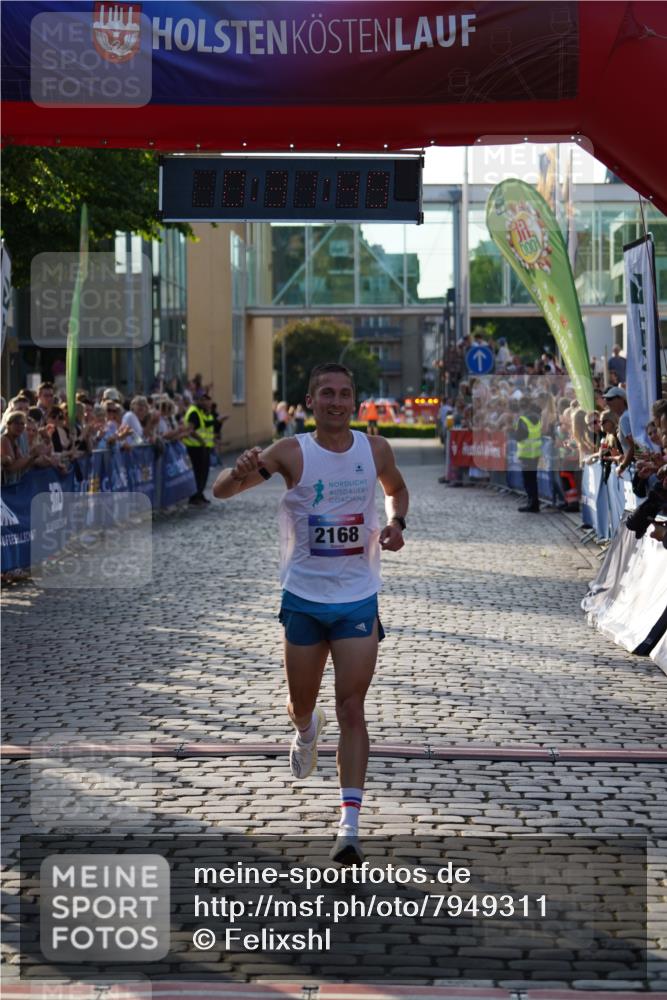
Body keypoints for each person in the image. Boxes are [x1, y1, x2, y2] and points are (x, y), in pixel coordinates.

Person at [213, 363, 409, 866]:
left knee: (352, 708)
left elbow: (397, 491)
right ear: (310, 400)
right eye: (327, 393)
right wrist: (237, 471)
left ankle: (349, 826)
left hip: (357, 598)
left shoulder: (376, 449)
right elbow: (221, 492)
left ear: (355, 401)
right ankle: (305, 731)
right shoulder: (289, 452)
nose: (336, 402)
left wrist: (396, 524)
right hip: (302, 597)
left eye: (345, 394)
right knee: (303, 704)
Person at [183, 393, 215, 505]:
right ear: (199, 401)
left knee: (203, 473)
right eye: (205, 400)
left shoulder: (200, 412)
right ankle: (195, 496)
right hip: (195, 447)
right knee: (198, 473)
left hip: (201, 447)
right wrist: (201, 440)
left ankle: (199, 494)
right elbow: (190, 430)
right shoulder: (194, 412)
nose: (208, 403)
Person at [513, 398, 543, 512]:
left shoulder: (523, 419)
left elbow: (520, 436)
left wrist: (514, 433)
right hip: (536, 452)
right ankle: (533, 503)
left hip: (526, 453)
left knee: (528, 480)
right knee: (533, 479)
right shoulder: (537, 417)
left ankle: (532, 503)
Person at [602, 386, 634, 475]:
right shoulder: (626, 415)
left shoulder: (624, 418)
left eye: (610, 398)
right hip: (635, 464)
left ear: (621, 399)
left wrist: (623, 466)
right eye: (606, 399)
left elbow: (634, 446)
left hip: (635, 467)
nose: (607, 402)